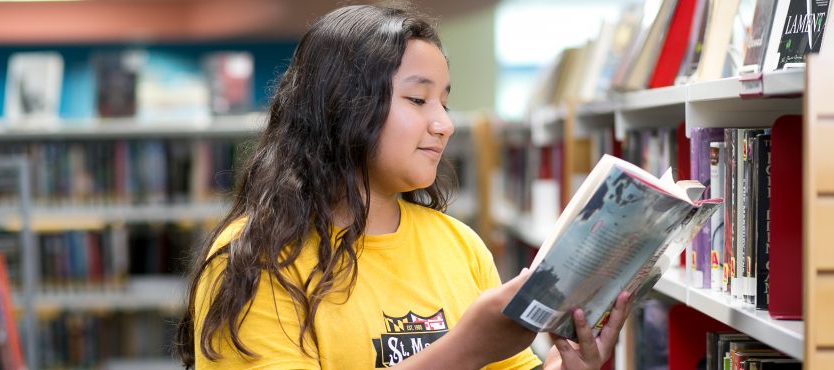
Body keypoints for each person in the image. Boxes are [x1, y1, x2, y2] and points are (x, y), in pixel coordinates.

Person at [175, 4, 632, 369]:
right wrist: (463, 349)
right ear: (343, 104)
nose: (445, 124)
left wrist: (562, 365)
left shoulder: (460, 246)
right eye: (417, 99)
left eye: (445, 102)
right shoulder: (256, 259)